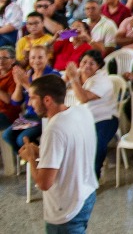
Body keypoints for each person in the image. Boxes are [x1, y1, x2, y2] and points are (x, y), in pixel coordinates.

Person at [17, 74, 98, 233]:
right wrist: (41, 151)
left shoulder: (53, 130)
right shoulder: (82, 112)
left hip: (66, 208)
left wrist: (31, 158)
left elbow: (44, 183)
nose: (30, 103)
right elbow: (70, 152)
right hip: (86, 195)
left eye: (33, 98)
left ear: (47, 100)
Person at [63, 50, 119, 179]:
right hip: (83, 119)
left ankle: (93, 177)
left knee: (97, 144)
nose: (87, 65)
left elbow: (83, 98)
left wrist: (73, 80)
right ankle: (73, 176)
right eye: (84, 62)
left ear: (98, 66)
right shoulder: (77, 74)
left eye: (92, 63)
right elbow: (59, 89)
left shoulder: (102, 80)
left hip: (105, 118)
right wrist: (68, 79)